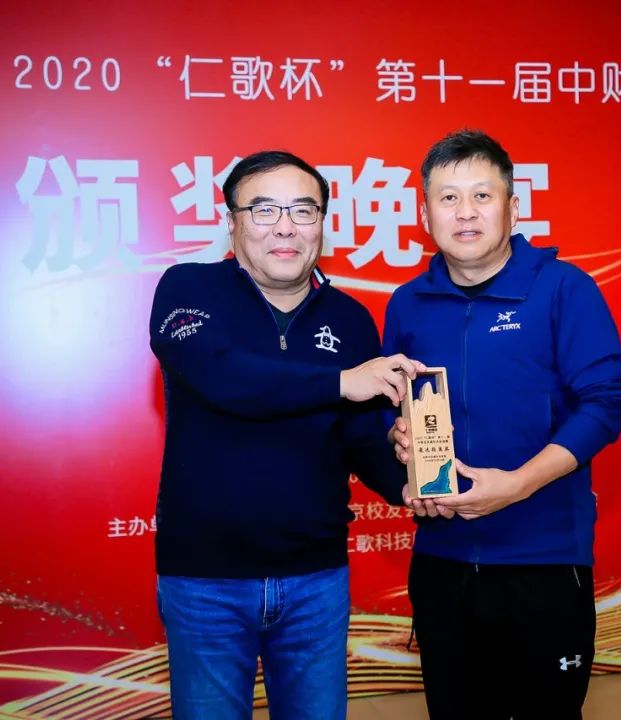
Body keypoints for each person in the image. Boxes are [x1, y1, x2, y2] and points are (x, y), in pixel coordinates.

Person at [149, 150, 422, 720]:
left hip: (316, 580)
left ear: (322, 223)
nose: (285, 227)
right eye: (264, 209)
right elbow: (223, 378)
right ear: (231, 221)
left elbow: (358, 436)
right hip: (205, 581)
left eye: (303, 210)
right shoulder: (187, 290)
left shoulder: (349, 319)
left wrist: (413, 482)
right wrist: (341, 381)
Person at [384, 130, 621, 719]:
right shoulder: (406, 304)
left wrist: (517, 484)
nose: (465, 212)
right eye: (448, 198)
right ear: (425, 215)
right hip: (442, 558)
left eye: (482, 195)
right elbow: (395, 409)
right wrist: (399, 438)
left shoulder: (564, 289)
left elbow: (604, 405)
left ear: (513, 208)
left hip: (544, 558)